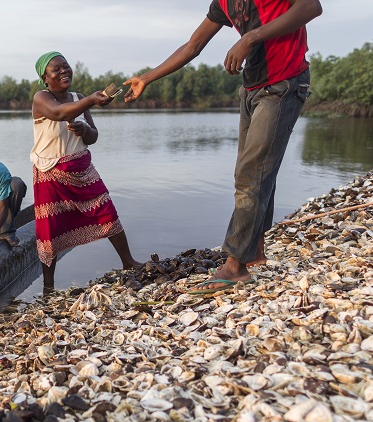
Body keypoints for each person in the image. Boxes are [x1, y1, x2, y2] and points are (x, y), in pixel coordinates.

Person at [124, 0, 323, 294]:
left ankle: (234, 267)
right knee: (252, 170)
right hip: (252, 88)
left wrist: (249, 37)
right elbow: (193, 45)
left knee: (251, 172)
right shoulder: (223, 3)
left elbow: (311, 7)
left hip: (284, 84)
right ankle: (254, 250)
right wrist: (146, 78)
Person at [32, 51, 141, 290]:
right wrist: (91, 100)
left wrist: (84, 130)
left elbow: (93, 136)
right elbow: (59, 113)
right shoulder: (41, 98)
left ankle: (128, 262)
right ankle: (48, 286)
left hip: (80, 167)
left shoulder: (77, 97)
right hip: (50, 171)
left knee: (105, 210)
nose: (63, 71)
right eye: (56, 69)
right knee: (49, 230)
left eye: (66, 66)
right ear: (45, 77)